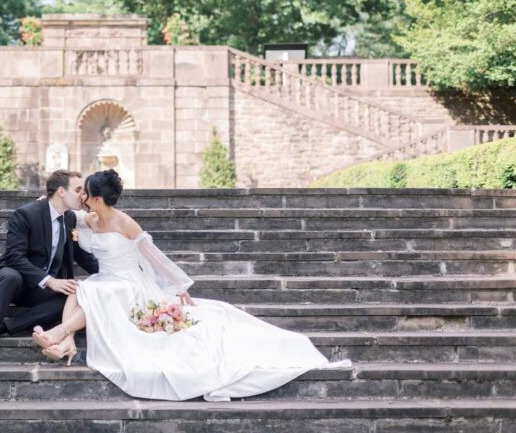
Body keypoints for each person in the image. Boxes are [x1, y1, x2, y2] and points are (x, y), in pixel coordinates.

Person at [31, 168, 347, 401]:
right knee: (84, 288)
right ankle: (67, 342)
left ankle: (59, 333)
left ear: (96, 197)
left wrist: (179, 285)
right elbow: (66, 215)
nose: (81, 196)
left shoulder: (124, 222)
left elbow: (154, 256)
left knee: (99, 291)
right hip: (106, 279)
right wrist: (49, 202)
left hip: (130, 283)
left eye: (84, 192)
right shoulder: (88, 219)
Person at [0, 170, 99, 370]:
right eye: (78, 189)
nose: (82, 195)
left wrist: (110, 272)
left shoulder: (69, 219)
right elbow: (14, 256)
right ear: (61, 191)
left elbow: (79, 254)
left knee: (75, 294)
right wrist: (49, 280)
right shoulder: (26, 214)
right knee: (9, 276)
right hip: (18, 281)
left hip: (42, 291)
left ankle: (4, 327)